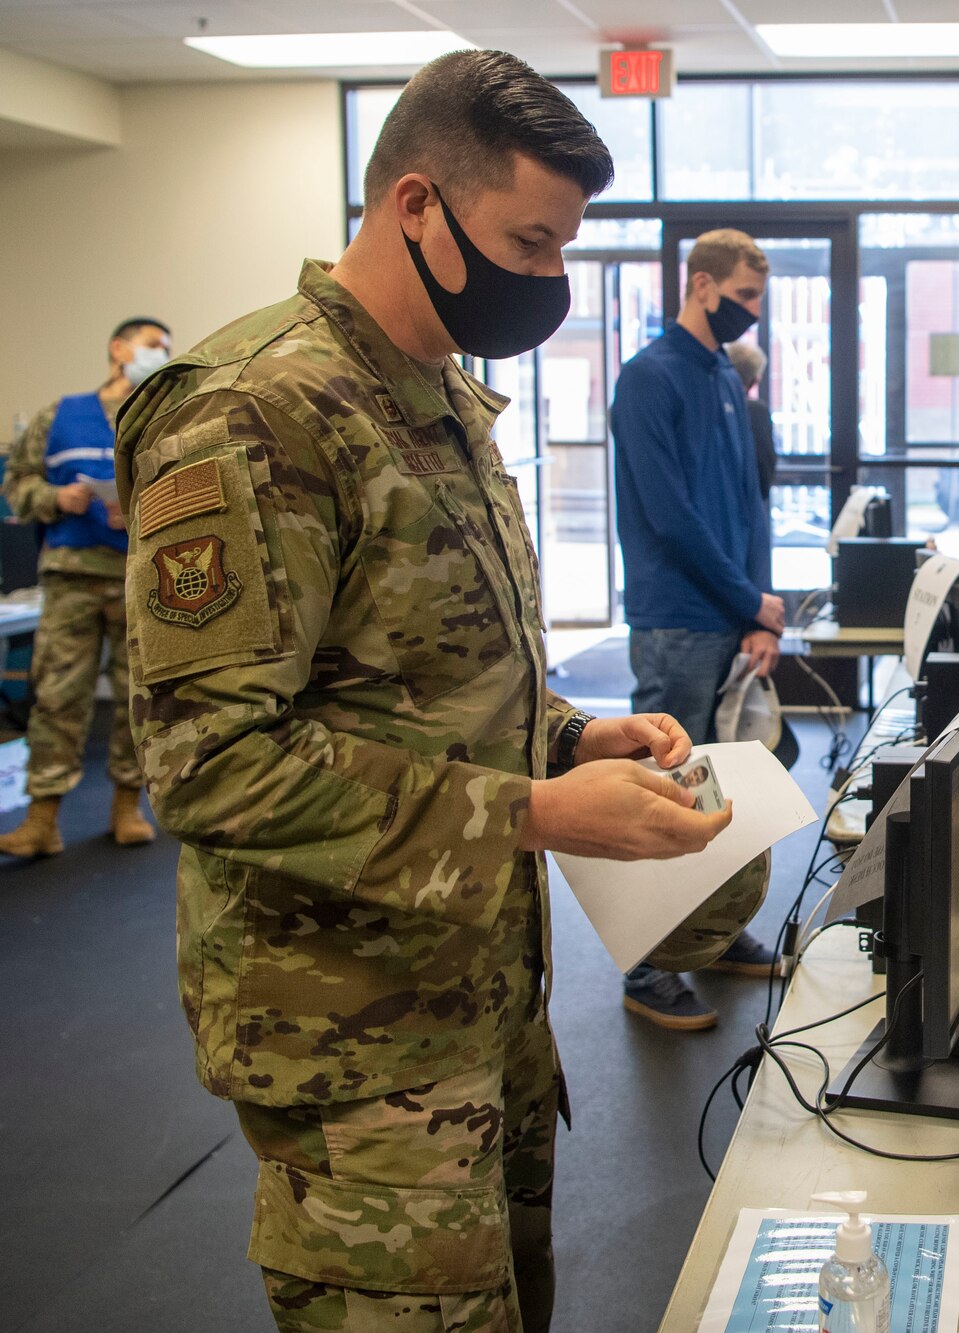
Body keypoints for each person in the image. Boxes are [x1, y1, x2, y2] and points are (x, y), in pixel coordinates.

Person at [114, 51, 753, 1333]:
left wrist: (572, 736)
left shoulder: (441, 395)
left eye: (565, 246)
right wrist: (532, 812)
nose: (550, 280)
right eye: (529, 238)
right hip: (348, 1031)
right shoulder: (256, 414)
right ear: (416, 205)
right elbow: (210, 759)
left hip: (482, 992)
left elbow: (425, 672)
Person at [609, 227, 784, 1028]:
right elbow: (670, 514)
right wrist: (746, 599)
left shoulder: (724, 376)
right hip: (677, 620)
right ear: (702, 285)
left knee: (718, 791)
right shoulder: (648, 379)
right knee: (666, 794)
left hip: (730, 616)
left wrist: (761, 608)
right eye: (744, 296)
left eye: (759, 298)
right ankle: (647, 964)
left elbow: (750, 504)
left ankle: (708, 932)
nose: (753, 312)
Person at [0, 318, 171, 856]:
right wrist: (58, 500)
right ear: (117, 349)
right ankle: (43, 819)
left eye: (166, 348)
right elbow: (18, 484)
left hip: (136, 577)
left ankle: (126, 806)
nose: (159, 354)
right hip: (72, 573)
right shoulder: (59, 416)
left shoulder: (159, 417)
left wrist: (143, 513)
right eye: (151, 345)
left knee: (135, 698)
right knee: (56, 694)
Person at [725, 338, 777, 501]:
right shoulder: (755, 412)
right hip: (743, 509)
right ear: (756, 380)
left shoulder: (702, 404)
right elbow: (764, 473)